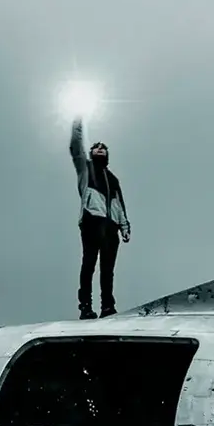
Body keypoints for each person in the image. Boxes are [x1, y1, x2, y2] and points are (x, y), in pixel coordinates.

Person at [69, 117, 131, 318]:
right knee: (89, 264)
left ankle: (107, 307)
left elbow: (119, 204)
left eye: (104, 148)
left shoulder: (113, 179)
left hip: (111, 226)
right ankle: (85, 306)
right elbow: (75, 148)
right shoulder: (85, 169)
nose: (100, 148)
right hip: (91, 221)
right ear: (91, 152)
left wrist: (124, 226)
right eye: (96, 147)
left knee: (108, 269)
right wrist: (77, 125)